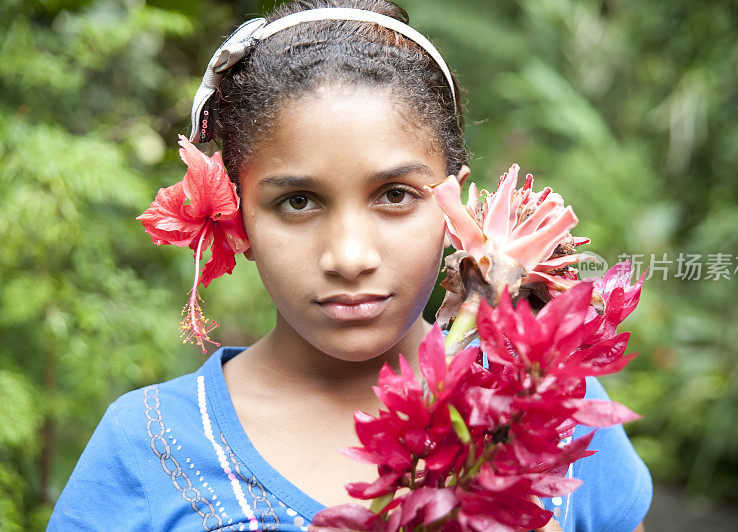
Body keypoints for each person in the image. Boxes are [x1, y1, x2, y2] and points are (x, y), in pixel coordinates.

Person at [47, 1, 652, 530]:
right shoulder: (146, 445)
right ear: (237, 214)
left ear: (455, 208)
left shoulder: (543, 399)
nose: (350, 257)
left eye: (395, 195)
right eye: (297, 202)